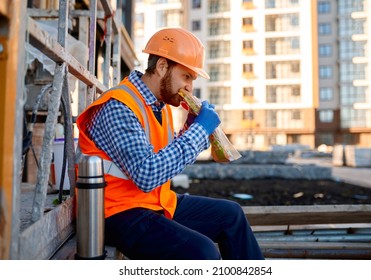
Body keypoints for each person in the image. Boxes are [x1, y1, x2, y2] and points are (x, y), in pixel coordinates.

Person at [76, 27, 264, 260]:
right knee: (202, 253)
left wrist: (191, 130)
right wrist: (198, 131)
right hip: (116, 213)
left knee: (231, 215)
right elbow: (147, 174)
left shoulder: (159, 105)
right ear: (162, 66)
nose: (189, 88)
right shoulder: (119, 106)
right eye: (186, 76)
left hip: (151, 203)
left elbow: (161, 155)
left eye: (192, 80)